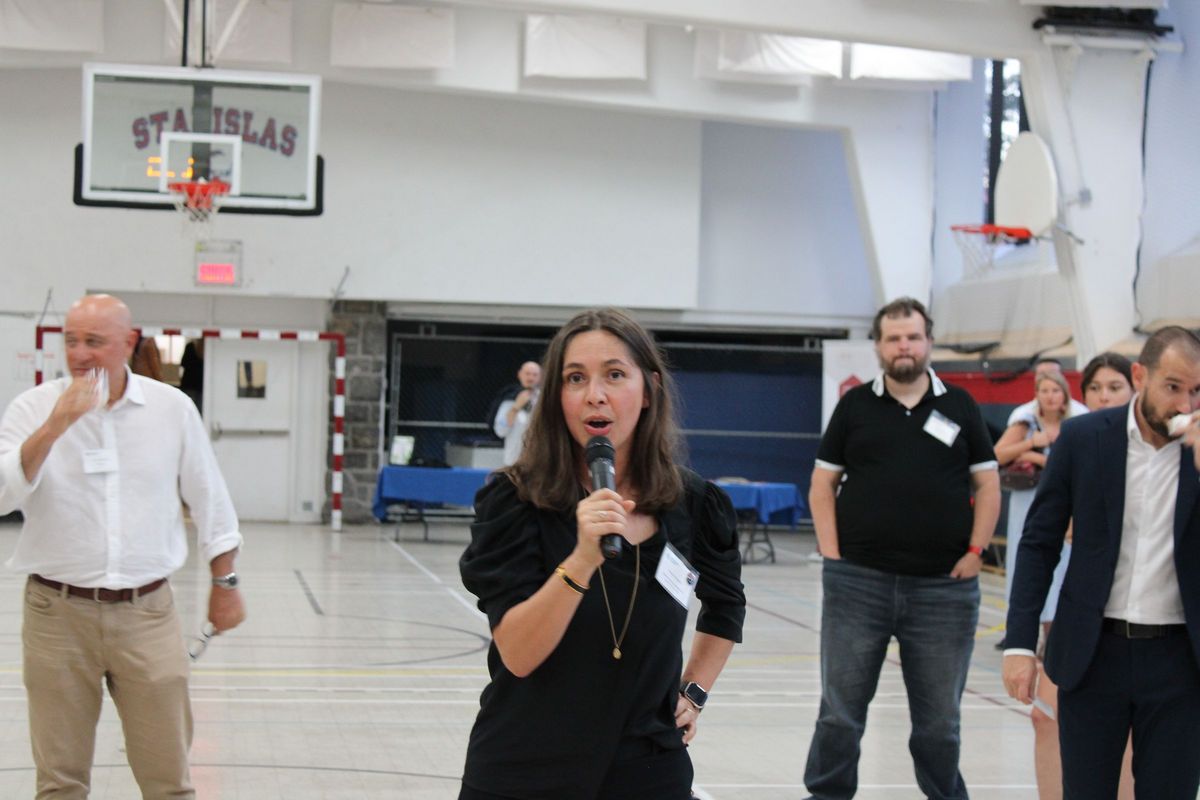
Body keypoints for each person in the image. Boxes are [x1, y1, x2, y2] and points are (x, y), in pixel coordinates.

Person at [458, 308, 745, 800]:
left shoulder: (693, 503)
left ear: (649, 389)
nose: (595, 394)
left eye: (614, 374)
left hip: (649, 767)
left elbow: (726, 606)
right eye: (576, 378)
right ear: (558, 398)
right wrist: (582, 559)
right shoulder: (516, 501)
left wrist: (694, 692)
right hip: (526, 767)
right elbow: (519, 656)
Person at [0, 294, 246, 799]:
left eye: (94, 341)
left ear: (128, 342)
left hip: (147, 612)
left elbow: (210, 499)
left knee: (168, 780)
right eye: (71, 341)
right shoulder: (33, 408)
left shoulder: (171, 409)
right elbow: (3, 494)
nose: (80, 354)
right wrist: (55, 426)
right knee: (60, 782)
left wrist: (225, 583)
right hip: (56, 614)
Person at [803, 297, 1001, 800]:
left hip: (943, 591)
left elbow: (988, 486)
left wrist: (976, 551)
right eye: (893, 338)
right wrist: (832, 554)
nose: (904, 346)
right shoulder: (854, 406)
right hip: (857, 584)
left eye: (913, 336)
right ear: (878, 346)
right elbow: (822, 485)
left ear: (928, 342)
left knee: (939, 725)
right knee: (840, 715)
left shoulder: (960, 406)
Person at [1003, 327, 1200, 799]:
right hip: (1093, 654)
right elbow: (1039, 543)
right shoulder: (1083, 438)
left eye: (1196, 391)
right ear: (1140, 376)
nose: (1185, 404)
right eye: (1173, 387)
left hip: (1180, 660)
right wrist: (1019, 643)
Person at [1023, 353, 1134, 800]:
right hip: (1072, 607)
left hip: (1131, 619)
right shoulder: (1077, 442)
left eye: (1114, 387)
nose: (1104, 396)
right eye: (1095, 389)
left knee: (1127, 736)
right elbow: (1045, 531)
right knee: (1044, 716)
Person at [994, 370, 1075, 612]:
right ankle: (1024, 614)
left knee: (1062, 560)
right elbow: (996, 454)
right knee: (1026, 553)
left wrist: (1036, 458)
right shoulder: (1025, 423)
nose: (1050, 396)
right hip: (1027, 497)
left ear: (1065, 395)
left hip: (1062, 499)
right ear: (1036, 395)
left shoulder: (1073, 425)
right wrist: (1031, 444)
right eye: (1044, 391)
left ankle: (1054, 621)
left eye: (1055, 391)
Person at [1006, 358, 1089, 427]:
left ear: (1062, 378)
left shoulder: (1081, 413)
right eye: (1041, 374)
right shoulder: (1021, 415)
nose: (1046, 378)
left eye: (1052, 374)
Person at [492, 360, 541, 466]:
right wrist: (515, 408)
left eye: (535, 375)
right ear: (519, 374)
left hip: (539, 462)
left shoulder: (545, 400)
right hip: (514, 461)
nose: (531, 378)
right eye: (527, 374)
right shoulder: (509, 399)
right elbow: (500, 431)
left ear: (540, 377)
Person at [179, 337, 204, 410]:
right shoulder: (208, 349)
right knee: (199, 409)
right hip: (200, 384)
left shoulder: (190, 346)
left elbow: (183, 363)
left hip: (188, 383)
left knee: (186, 407)